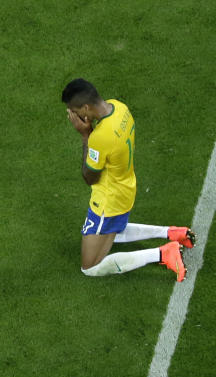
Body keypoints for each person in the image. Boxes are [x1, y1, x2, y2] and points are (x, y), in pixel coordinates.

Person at [61, 78, 194, 281]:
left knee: (89, 266)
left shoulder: (99, 137)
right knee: (112, 232)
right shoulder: (119, 108)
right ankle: (171, 232)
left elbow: (89, 177)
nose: (74, 116)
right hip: (126, 188)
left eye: (74, 111)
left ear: (86, 108)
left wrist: (86, 135)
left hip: (108, 201)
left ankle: (163, 253)